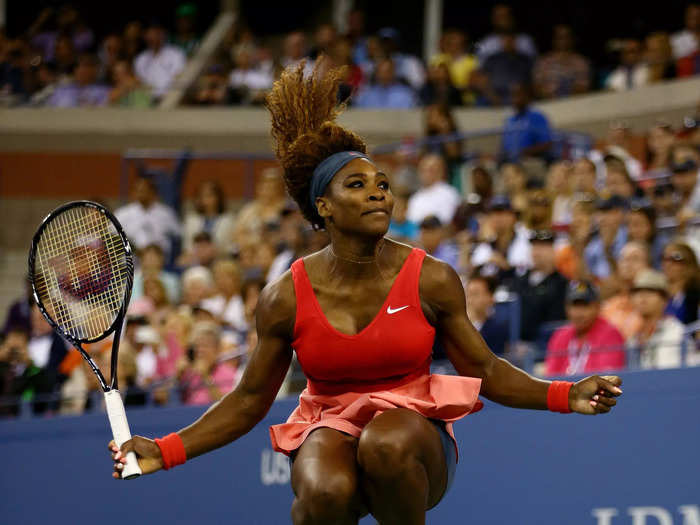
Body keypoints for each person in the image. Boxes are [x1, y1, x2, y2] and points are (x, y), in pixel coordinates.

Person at [109, 64, 624, 524]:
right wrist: (166, 450)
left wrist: (564, 393)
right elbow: (248, 400)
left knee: (386, 442)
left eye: (380, 182)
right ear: (324, 209)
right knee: (325, 490)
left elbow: (484, 371)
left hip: (413, 442)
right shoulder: (284, 297)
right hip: (327, 428)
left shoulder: (432, 277)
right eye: (355, 185)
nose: (378, 190)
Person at [545, 281, 626, 376]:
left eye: (585, 306)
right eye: (575, 306)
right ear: (567, 308)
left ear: (597, 307)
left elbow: (606, 379)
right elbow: (551, 376)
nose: (579, 313)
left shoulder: (610, 334)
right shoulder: (560, 336)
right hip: (566, 390)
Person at [628, 269, 693, 369]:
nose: (642, 297)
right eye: (637, 292)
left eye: (650, 291)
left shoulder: (676, 331)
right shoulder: (632, 339)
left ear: (664, 299)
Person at [512, 230, 568, 344]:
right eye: (534, 247)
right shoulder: (519, 281)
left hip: (543, 347)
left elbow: (556, 323)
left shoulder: (561, 284)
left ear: (553, 251)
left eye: (543, 247)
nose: (537, 252)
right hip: (513, 344)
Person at [114, 175, 181, 258]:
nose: (140, 193)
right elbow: (112, 237)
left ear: (153, 192)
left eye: (143, 190)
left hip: (160, 261)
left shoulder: (166, 213)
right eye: (137, 190)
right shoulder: (123, 213)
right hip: (130, 261)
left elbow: (177, 235)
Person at [600, 241, 650, 340]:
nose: (627, 263)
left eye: (635, 258)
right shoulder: (608, 306)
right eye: (623, 259)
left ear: (647, 266)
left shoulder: (656, 302)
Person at [533, 24, 590, 99]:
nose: (563, 40)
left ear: (572, 39)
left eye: (566, 37)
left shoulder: (581, 62)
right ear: (554, 40)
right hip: (549, 104)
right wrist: (551, 98)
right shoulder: (543, 62)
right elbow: (536, 87)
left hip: (575, 104)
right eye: (560, 37)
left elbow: (583, 87)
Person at [500, 83, 552, 163]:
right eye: (513, 95)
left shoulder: (537, 117)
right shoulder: (509, 121)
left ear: (527, 97)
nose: (516, 99)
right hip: (510, 162)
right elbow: (504, 148)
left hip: (531, 160)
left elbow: (547, 144)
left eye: (519, 95)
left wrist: (522, 152)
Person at [134, 20, 186, 98]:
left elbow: (179, 78)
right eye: (150, 33)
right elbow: (140, 82)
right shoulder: (140, 59)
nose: (153, 37)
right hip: (147, 101)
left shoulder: (176, 54)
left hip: (171, 99)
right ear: (145, 36)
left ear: (163, 34)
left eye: (157, 33)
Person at [406, 153, 462, 225]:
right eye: (423, 170)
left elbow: (446, 221)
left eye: (430, 170)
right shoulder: (415, 197)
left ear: (441, 171)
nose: (425, 174)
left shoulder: (449, 193)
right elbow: (410, 222)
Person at [182, 180, 236, 255]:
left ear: (218, 198)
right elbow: (187, 246)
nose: (206, 200)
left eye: (210, 196)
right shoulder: (191, 220)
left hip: (220, 259)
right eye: (202, 196)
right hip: (195, 259)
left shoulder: (228, 220)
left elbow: (231, 246)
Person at [583, 195, 628, 280]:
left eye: (607, 212)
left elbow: (623, 277)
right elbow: (586, 278)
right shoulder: (593, 245)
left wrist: (608, 251)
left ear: (620, 214)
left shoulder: (629, 237)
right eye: (599, 213)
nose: (602, 218)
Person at [465, 275, 508, 356]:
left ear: (490, 298)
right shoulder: (454, 326)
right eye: (467, 294)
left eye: (475, 294)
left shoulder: (497, 329)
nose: (469, 300)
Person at [661, 241, 700, 325]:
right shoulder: (659, 295)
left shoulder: (696, 294)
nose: (668, 264)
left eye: (676, 258)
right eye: (664, 258)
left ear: (689, 263)